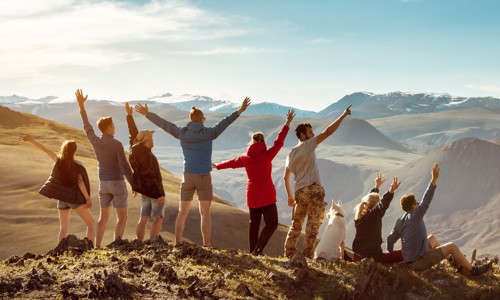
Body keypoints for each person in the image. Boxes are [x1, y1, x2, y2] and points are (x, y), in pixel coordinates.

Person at [135, 97, 251, 246]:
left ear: (190, 120)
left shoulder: (182, 133)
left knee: (182, 213)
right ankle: (207, 245)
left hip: (187, 176)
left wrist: (148, 114)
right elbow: (225, 122)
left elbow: (164, 124)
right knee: (205, 213)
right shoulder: (210, 133)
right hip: (203, 177)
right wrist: (239, 111)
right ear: (202, 119)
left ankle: (177, 243)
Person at [213, 110, 295, 255]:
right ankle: (258, 250)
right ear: (263, 142)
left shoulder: (245, 158)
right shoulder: (267, 155)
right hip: (267, 196)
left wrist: (217, 165)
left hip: (252, 195)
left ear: (252, 142)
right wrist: (287, 123)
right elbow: (279, 142)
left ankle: (252, 252)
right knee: (272, 224)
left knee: (254, 225)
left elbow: (231, 163)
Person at [387, 163, 493, 275]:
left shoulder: (400, 221)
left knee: (432, 238)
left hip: (412, 259)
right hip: (419, 261)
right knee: (452, 246)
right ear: (413, 206)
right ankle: (474, 271)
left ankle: (455, 264)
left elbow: (390, 240)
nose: (418, 204)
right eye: (416, 203)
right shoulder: (416, 214)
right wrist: (433, 180)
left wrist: (394, 255)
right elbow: (426, 200)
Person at [283, 105, 352, 258]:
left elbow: (286, 176)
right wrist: (343, 115)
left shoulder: (291, 154)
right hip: (314, 190)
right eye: (310, 132)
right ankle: (307, 256)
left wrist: (290, 196)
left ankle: (289, 253)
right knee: (313, 225)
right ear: (302, 135)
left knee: (296, 224)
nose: (313, 134)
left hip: (299, 191)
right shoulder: (308, 145)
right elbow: (327, 132)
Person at [76, 89, 134, 248]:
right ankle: (117, 245)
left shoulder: (96, 141)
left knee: (103, 218)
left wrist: (81, 106)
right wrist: (135, 184)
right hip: (117, 183)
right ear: (108, 128)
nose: (114, 127)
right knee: (122, 217)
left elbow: (86, 126)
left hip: (103, 184)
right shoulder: (117, 144)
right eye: (113, 125)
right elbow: (124, 166)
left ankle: (97, 247)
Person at [18, 134, 96, 244]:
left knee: (63, 229)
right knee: (91, 224)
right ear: (75, 151)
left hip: (61, 199)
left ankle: (60, 251)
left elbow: (46, 150)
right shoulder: (78, 165)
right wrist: (87, 198)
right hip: (73, 199)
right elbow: (80, 183)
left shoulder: (59, 161)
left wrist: (31, 140)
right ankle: (90, 249)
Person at [125, 103, 165, 241]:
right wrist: (159, 194)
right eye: (151, 138)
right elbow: (151, 177)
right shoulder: (147, 156)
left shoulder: (135, 151)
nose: (153, 139)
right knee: (158, 218)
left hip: (143, 190)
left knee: (143, 217)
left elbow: (133, 134)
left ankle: (139, 243)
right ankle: (154, 244)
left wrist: (129, 116)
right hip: (152, 191)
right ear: (147, 140)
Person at [352, 173, 403, 263]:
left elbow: (370, 200)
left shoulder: (360, 214)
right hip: (373, 258)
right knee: (403, 253)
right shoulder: (373, 216)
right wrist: (391, 190)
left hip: (357, 256)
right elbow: (382, 205)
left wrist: (377, 186)